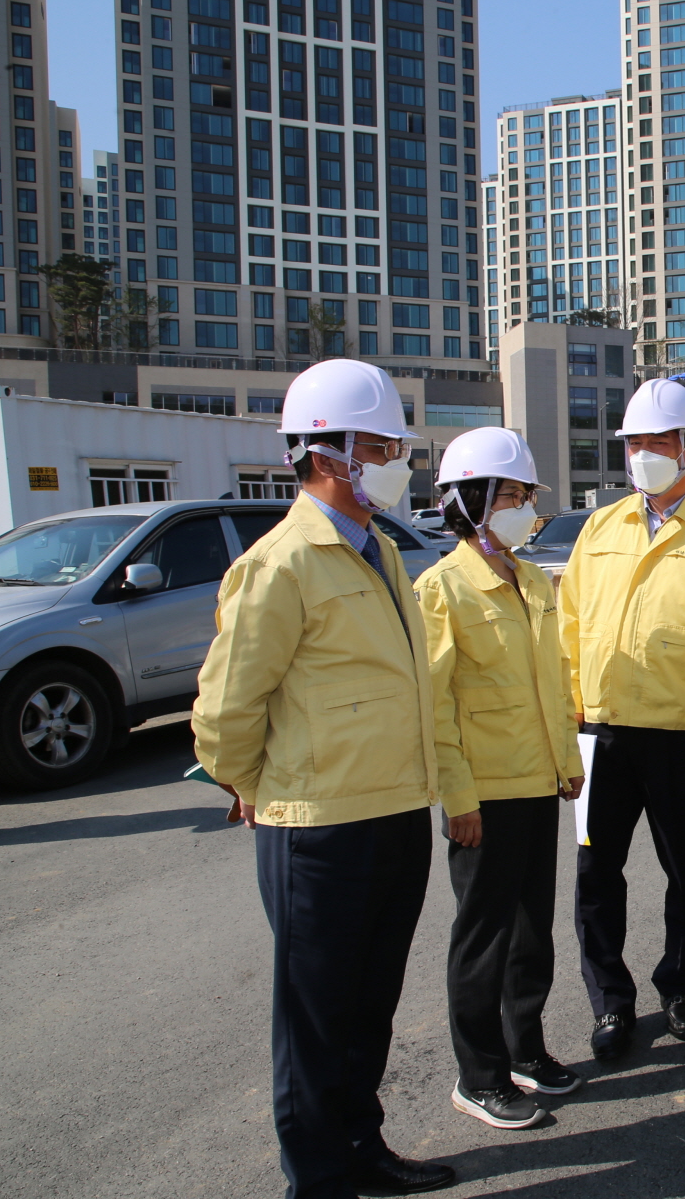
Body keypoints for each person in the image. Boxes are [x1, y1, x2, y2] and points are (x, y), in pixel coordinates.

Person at [193, 359, 456, 1197]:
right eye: (382, 446)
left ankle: (361, 1150)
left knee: (368, 1006)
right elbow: (226, 709)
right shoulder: (281, 564)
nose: (396, 461)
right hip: (316, 827)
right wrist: (251, 787)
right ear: (329, 454)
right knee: (315, 1022)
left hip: (393, 811)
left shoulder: (378, 547)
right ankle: (319, 1179)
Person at [559, 378, 685, 1061]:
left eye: (656, 443)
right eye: (633, 443)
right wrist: (571, 708)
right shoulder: (601, 527)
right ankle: (611, 1002)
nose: (642, 455)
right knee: (595, 874)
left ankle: (680, 988)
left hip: (682, 736)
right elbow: (570, 622)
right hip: (599, 732)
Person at [416, 427, 585, 1131]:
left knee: (531, 933)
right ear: (471, 500)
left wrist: (567, 766)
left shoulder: (527, 580)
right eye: (512, 495)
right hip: (481, 796)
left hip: (534, 785)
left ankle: (526, 1049)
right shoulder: (443, 589)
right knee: (482, 939)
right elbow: (436, 710)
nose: (524, 508)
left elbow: (552, 682)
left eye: (525, 496)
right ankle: (478, 1075)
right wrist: (457, 799)